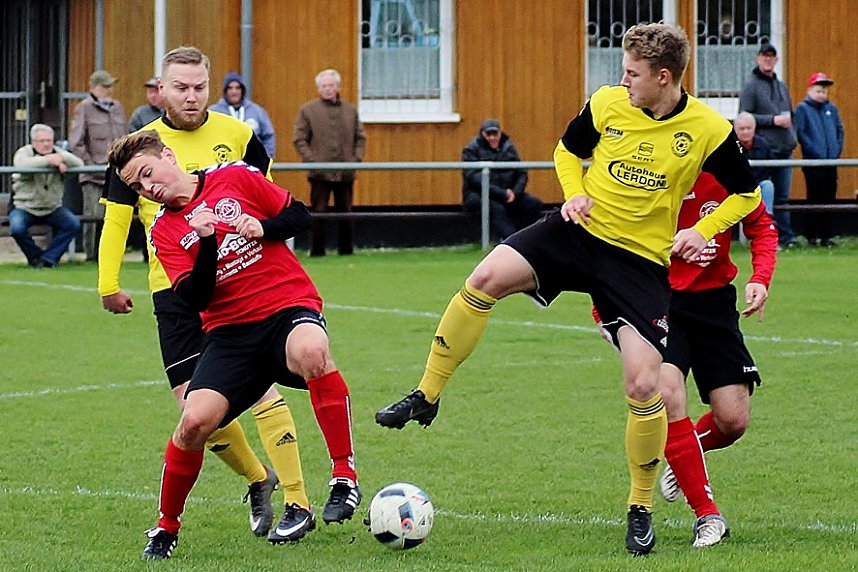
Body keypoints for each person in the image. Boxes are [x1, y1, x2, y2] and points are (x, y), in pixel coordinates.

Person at [376, 23, 762, 556]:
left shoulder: (708, 129)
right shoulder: (606, 103)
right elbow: (565, 150)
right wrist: (575, 191)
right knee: (484, 278)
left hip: (638, 263)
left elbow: (747, 194)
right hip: (577, 233)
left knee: (643, 386)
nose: (623, 81)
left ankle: (640, 508)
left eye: (632, 73)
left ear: (663, 77)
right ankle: (426, 395)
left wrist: (704, 228)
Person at [98, 47, 320, 551]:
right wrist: (108, 283)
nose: (191, 96)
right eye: (181, 87)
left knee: (262, 391)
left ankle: (298, 500)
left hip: (240, 284)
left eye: (200, 86)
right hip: (174, 288)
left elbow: (266, 199)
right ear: (161, 89)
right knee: (193, 411)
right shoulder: (137, 151)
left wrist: (266, 249)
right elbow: (116, 219)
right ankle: (257, 478)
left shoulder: (238, 134)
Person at [108, 129, 361, 561]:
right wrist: (207, 240)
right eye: (137, 185)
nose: (147, 187)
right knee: (194, 422)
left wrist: (263, 227)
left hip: (285, 307)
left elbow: (300, 216)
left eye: (148, 173)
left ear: (168, 156)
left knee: (312, 350)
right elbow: (196, 297)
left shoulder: (235, 177)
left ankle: (343, 477)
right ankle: (166, 526)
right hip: (230, 335)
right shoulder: (164, 231)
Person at [595, 172, 777, 548]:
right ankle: (707, 515)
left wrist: (760, 278)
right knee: (667, 393)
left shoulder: (727, 171)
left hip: (714, 303)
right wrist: (603, 312)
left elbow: (762, 226)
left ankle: (686, 457)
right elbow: (607, 243)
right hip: (655, 300)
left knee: (733, 420)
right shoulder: (650, 172)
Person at [293, 68, 366, 257]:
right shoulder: (308, 110)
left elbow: (360, 138)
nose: (327, 89)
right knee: (318, 212)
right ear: (318, 88)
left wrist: (355, 160)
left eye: (331, 85)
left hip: (345, 172)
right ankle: (317, 251)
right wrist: (312, 161)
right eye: (324, 86)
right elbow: (299, 139)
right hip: (319, 173)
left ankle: (346, 250)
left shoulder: (350, 111)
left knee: (346, 212)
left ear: (337, 87)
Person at [739, 43, 799, 248]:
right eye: (764, 56)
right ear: (758, 58)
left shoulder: (782, 86)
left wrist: (793, 135)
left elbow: (790, 114)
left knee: (783, 196)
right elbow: (744, 116)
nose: (768, 59)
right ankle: (767, 236)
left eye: (771, 56)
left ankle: (785, 236)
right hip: (765, 150)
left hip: (785, 149)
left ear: (776, 60)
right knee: (767, 193)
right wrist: (773, 120)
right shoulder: (751, 86)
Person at [69, 69, 128, 260]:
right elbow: (75, 142)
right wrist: (90, 164)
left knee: (117, 215)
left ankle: (113, 254)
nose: (109, 90)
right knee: (93, 216)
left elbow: (125, 137)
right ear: (93, 88)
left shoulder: (117, 107)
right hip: (94, 175)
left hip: (117, 172)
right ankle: (91, 255)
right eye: (105, 86)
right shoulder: (84, 108)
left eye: (110, 86)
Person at [9, 124, 82, 268]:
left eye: (49, 140)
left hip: (52, 208)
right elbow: (21, 165)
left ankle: (49, 259)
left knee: (73, 224)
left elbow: (79, 163)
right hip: (24, 207)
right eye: (42, 141)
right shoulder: (23, 152)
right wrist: (49, 161)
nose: (46, 144)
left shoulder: (57, 153)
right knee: (17, 229)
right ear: (33, 142)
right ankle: (36, 258)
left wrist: (60, 158)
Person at [461, 119, 545, 240]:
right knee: (496, 208)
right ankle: (510, 240)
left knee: (534, 204)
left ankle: (524, 237)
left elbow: (521, 172)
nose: (492, 138)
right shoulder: (471, 149)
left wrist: (515, 192)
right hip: (479, 195)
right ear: (482, 134)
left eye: (495, 134)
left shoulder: (509, 147)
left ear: (500, 133)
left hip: (509, 194)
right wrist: (502, 194)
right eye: (488, 134)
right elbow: (476, 179)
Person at [794, 72, 844, 247]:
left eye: (824, 91)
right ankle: (811, 235)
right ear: (809, 90)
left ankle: (826, 235)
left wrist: (836, 151)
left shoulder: (831, 109)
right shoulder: (802, 109)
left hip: (831, 161)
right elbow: (802, 134)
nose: (822, 94)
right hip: (814, 162)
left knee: (830, 197)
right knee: (815, 197)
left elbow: (839, 131)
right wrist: (815, 152)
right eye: (818, 91)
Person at [210, 72, 276, 158]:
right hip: (224, 160)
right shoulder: (214, 112)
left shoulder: (257, 111)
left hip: (253, 162)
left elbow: (268, 136)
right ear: (225, 91)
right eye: (230, 88)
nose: (234, 92)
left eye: (237, 88)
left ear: (242, 90)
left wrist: (266, 158)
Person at [733, 112, 775, 214]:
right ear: (735, 130)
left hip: (758, 184)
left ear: (754, 128)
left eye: (749, 128)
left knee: (768, 185)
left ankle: (767, 216)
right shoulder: (729, 146)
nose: (746, 132)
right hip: (736, 187)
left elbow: (771, 167)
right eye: (742, 129)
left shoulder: (763, 144)